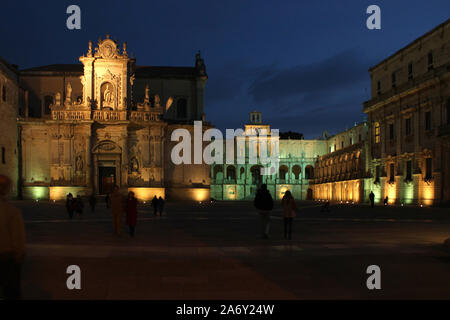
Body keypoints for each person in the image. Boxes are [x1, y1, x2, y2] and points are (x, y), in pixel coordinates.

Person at [0, 175, 26, 300]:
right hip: (7, 259)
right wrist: (19, 254)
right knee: (11, 292)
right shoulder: (12, 212)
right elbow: (18, 239)